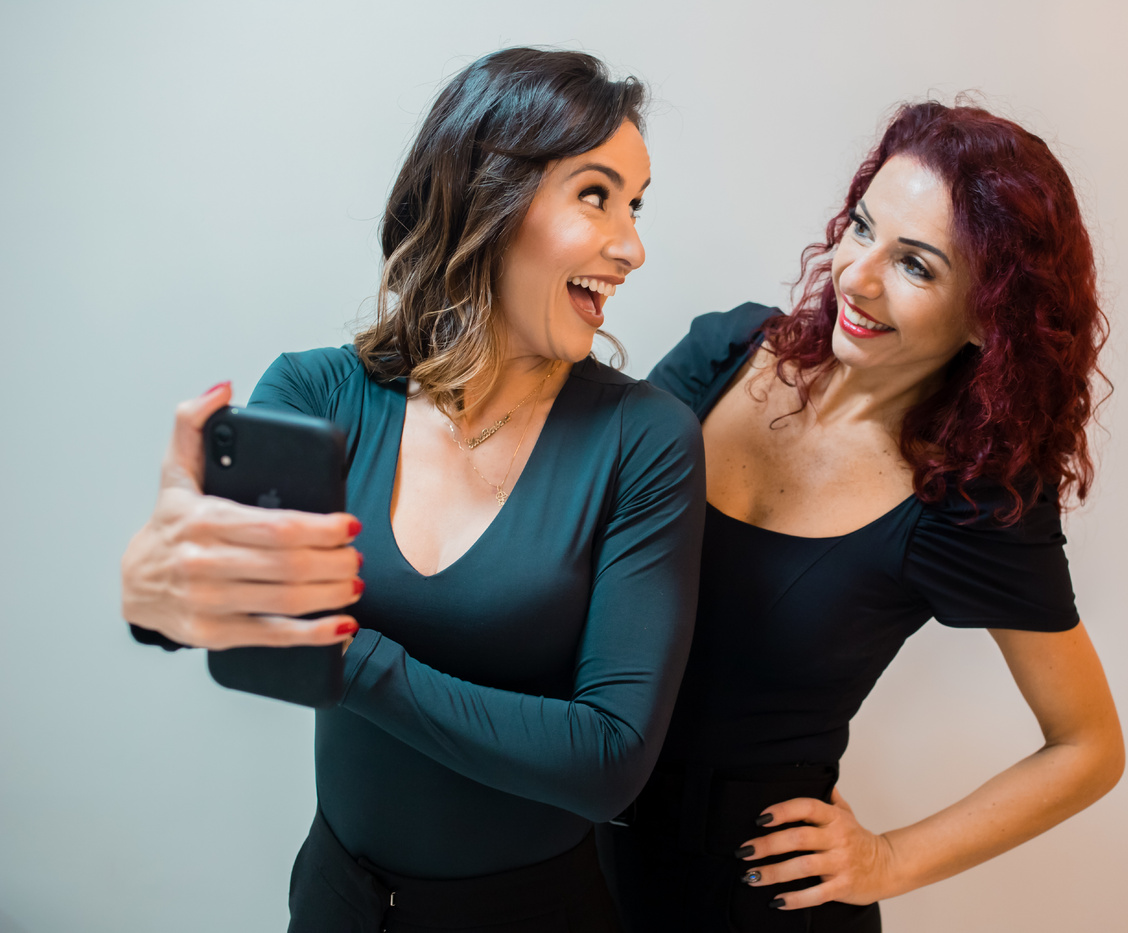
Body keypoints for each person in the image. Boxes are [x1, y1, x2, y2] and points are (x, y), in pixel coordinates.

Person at [119, 48, 706, 933]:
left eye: (636, 205)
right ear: (487, 193)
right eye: (596, 196)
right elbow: (224, 603)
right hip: (337, 902)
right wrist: (155, 588)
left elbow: (608, 758)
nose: (632, 247)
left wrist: (340, 654)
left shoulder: (645, 440)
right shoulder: (318, 395)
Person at [599, 101, 1125, 931]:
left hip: (753, 897)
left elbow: (1088, 747)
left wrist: (889, 859)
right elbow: (570, 541)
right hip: (576, 850)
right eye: (862, 228)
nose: (857, 277)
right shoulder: (722, 353)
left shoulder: (966, 499)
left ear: (988, 314)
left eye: (915, 265)